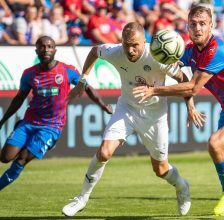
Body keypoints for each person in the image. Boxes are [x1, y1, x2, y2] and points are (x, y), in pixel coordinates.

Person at [133, 5, 224, 216]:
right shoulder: (191, 51)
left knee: (215, 144)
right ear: (188, 26)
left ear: (211, 26)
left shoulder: (217, 50)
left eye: (202, 24)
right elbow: (172, 65)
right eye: (193, 24)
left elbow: (192, 87)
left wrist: (154, 90)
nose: (198, 28)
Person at [62, 22, 204, 217]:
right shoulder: (115, 51)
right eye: (126, 44)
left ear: (144, 42)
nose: (130, 49)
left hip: (155, 116)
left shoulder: (158, 56)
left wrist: (190, 105)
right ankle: (82, 198)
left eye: (135, 44)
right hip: (126, 108)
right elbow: (95, 51)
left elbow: (184, 81)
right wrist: (82, 80)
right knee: (104, 152)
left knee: (161, 169)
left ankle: (181, 186)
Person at [0, 36, 112, 191]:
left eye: (50, 46)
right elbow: (19, 98)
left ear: (55, 50)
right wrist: (3, 120)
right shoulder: (29, 74)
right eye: (42, 47)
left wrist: (102, 105)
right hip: (28, 123)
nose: (46, 50)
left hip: (51, 127)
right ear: (36, 50)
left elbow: (87, 88)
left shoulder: (67, 71)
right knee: (5, 157)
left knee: (22, 158)